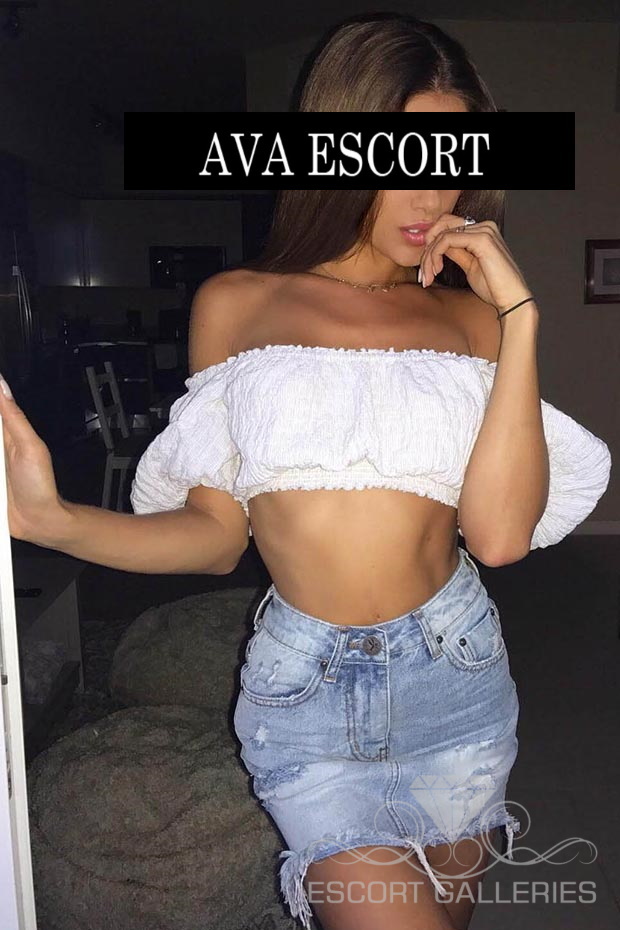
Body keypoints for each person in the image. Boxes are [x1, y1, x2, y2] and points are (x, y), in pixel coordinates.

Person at [2, 12, 611, 930]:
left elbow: (497, 538)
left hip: (458, 679)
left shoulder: (473, 319)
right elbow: (216, 537)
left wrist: (520, 320)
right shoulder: (237, 304)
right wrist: (54, 521)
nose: (433, 191)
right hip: (308, 700)